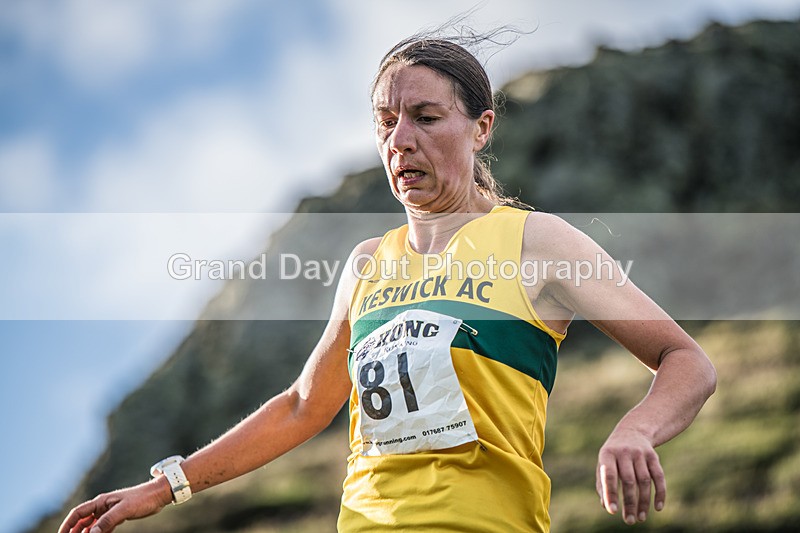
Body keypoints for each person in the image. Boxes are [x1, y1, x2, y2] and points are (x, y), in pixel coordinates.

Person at [59, 35, 717, 533]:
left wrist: (635, 430)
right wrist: (164, 486)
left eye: (426, 117)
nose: (400, 139)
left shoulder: (534, 242)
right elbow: (303, 406)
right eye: (386, 121)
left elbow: (685, 360)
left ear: (481, 127)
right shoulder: (367, 264)